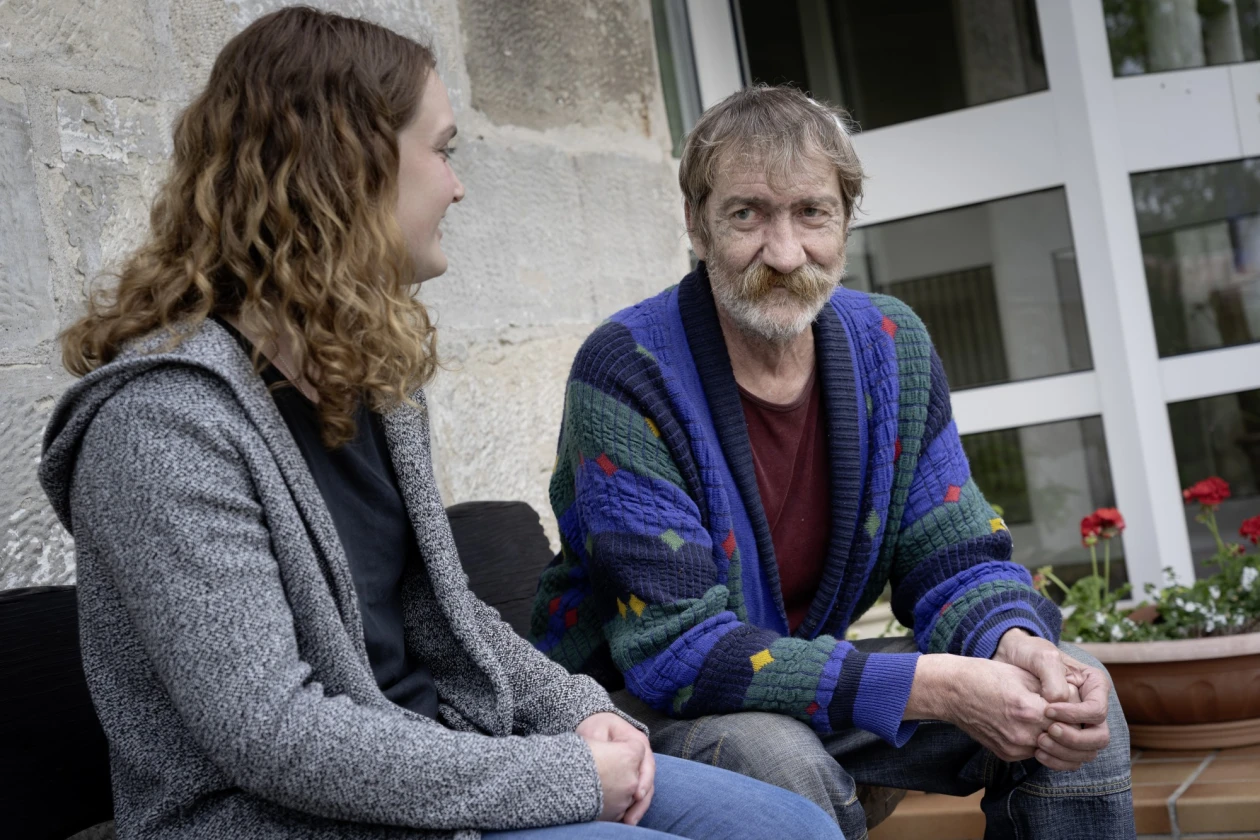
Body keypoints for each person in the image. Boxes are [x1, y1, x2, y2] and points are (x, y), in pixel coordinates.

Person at [38, 10, 844, 840]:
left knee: (790, 826)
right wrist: (564, 776)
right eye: (444, 150)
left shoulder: (364, 378)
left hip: (443, 766)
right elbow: (272, 733)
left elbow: (445, 616)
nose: (457, 187)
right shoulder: (161, 426)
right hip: (277, 820)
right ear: (347, 167)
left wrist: (579, 713)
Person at [532, 85, 1136, 840]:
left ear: (846, 219)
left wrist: (1016, 642)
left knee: (1072, 698)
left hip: (795, 684)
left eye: (812, 213)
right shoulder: (627, 370)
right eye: (746, 215)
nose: (785, 254)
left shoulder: (891, 344)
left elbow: (950, 555)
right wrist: (938, 685)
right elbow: (676, 652)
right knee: (780, 760)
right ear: (695, 222)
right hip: (628, 711)